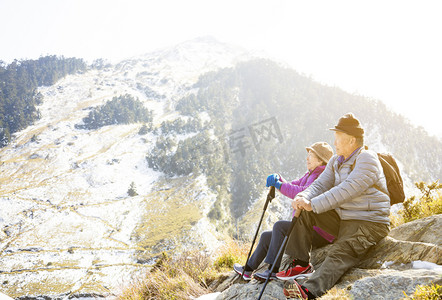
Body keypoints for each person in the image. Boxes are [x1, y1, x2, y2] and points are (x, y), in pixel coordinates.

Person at [279, 113, 390, 299]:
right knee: (305, 212)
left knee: (341, 251)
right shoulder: (335, 161)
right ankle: (300, 263)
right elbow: (320, 185)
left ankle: (310, 290)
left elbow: (346, 191)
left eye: (338, 138)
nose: (335, 143)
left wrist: (312, 204)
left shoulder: (367, 159)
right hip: (343, 219)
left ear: (352, 140)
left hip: (369, 222)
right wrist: (302, 197)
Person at [233, 142, 334, 281]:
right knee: (266, 236)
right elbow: (294, 185)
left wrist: (279, 185)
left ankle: (273, 271)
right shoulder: (311, 173)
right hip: (306, 228)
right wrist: (279, 179)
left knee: (279, 227)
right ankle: (247, 270)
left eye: (311, 155)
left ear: (321, 160)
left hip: (317, 231)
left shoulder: (320, 176)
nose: (307, 158)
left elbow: (302, 192)